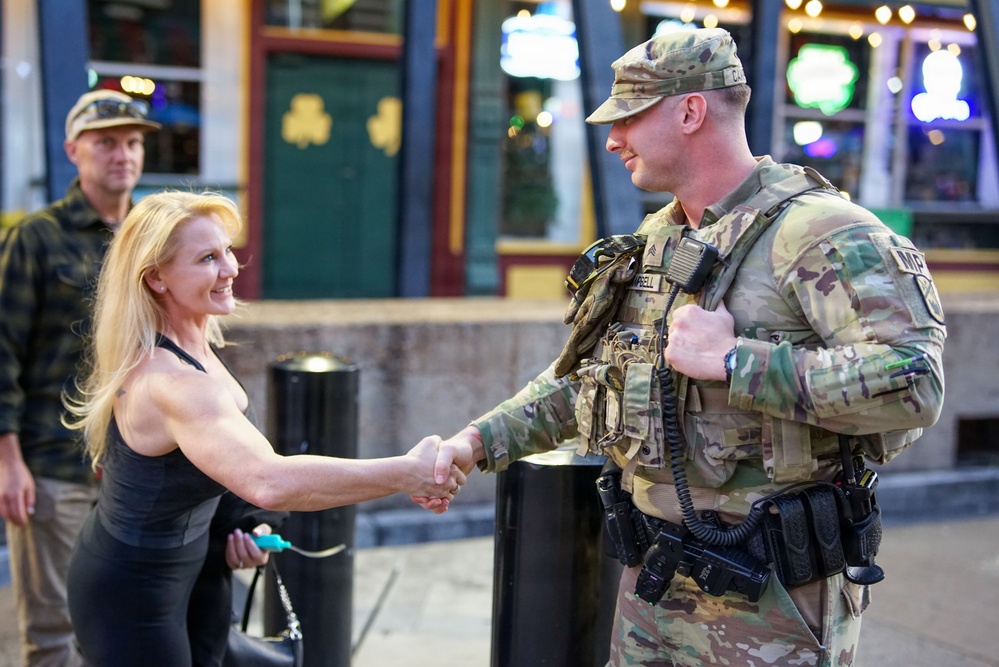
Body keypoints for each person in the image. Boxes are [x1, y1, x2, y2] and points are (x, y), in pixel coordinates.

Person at [418, 28, 946, 667]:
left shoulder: (820, 233)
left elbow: (914, 383)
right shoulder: (660, 238)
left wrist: (734, 362)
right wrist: (473, 444)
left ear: (691, 111)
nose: (612, 139)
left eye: (629, 118)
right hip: (652, 583)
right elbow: (592, 378)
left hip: (770, 603)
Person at [63, 190, 463, 667]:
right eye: (208, 258)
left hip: (193, 571)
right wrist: (405, 473)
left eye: (227, 250)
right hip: (130, 594)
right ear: (156, 279)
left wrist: (248, 526)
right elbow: (268, 480)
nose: (231, 268)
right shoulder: (173, 382)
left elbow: (216, 475)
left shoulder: (194, 343)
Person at [0, 88, 160, 666]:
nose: (123, 154)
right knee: (54, 632)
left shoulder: (151, 241)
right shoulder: (36, 239)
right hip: (52, 466)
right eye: (106, 142)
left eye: (133, 143)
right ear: (73, 150)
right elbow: (2, 354)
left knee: (117, 626)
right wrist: (8, 461)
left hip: (133, 470)